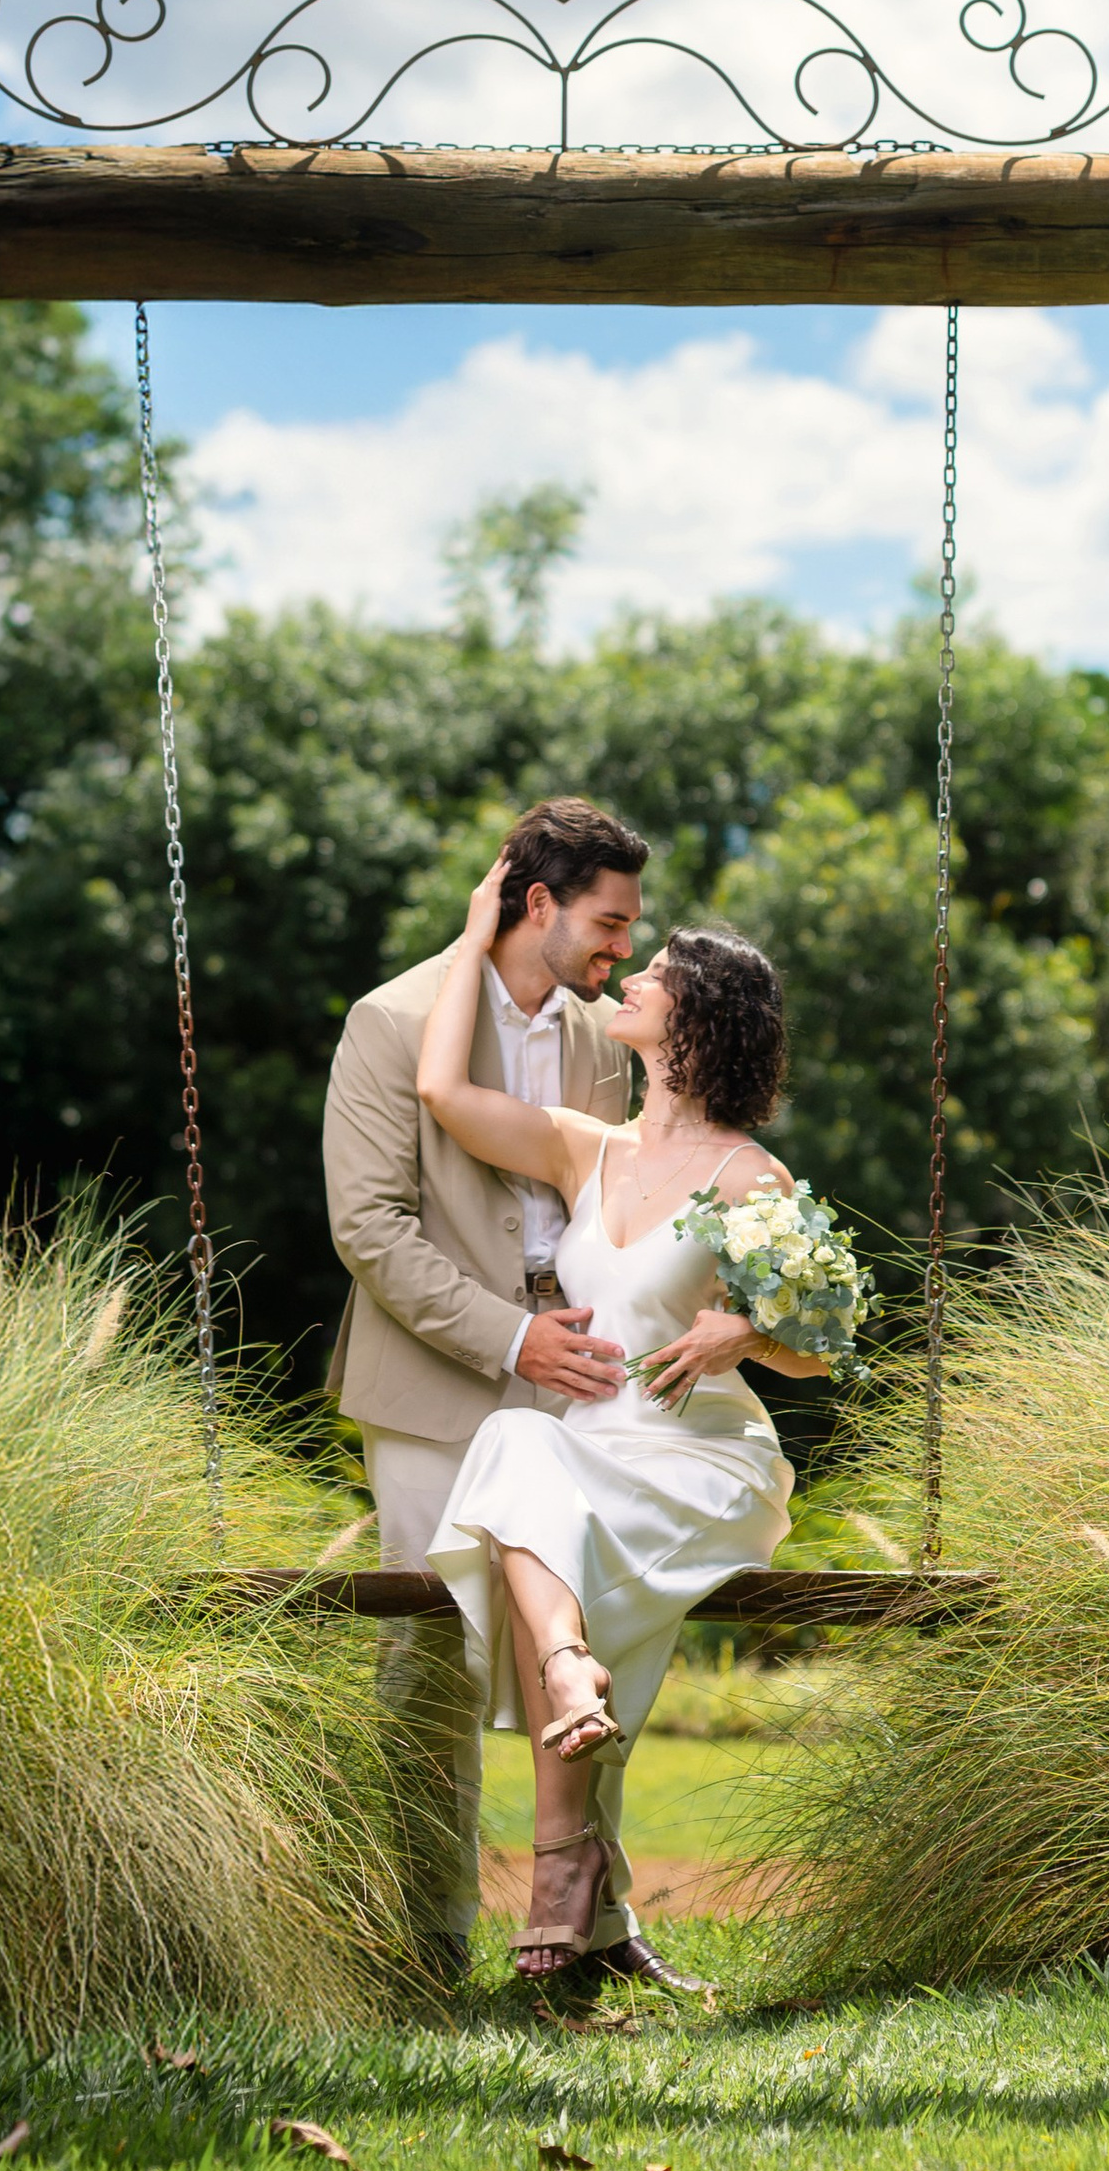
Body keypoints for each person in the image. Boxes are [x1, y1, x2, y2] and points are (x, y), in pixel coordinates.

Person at [417, 858, 826, 1985]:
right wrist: (470, 937)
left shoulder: (751, 1180)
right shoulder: (583, 1147)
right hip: (590, 1450)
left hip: (699, 1458)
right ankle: (569, 1681)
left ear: (698, 1020)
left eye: (657, 972)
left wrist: (740, 1335)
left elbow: (820, 1346)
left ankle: (564, 1879)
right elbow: (444, 1097)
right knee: (517, 1444)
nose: (632, 974)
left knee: (546, 1511)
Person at [323, 796, 659, 1989]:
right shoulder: (392, 1020)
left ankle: (592, 1935)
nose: (622, 948)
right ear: (537, 905)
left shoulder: (593, 1039)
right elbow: (368, 1229)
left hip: (570, 1389)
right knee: (434, 1668)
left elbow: (611, 1209)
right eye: (608, 922)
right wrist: (514, 1342)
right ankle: (422, 1943)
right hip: (432, 1391)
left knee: (584, 1647)